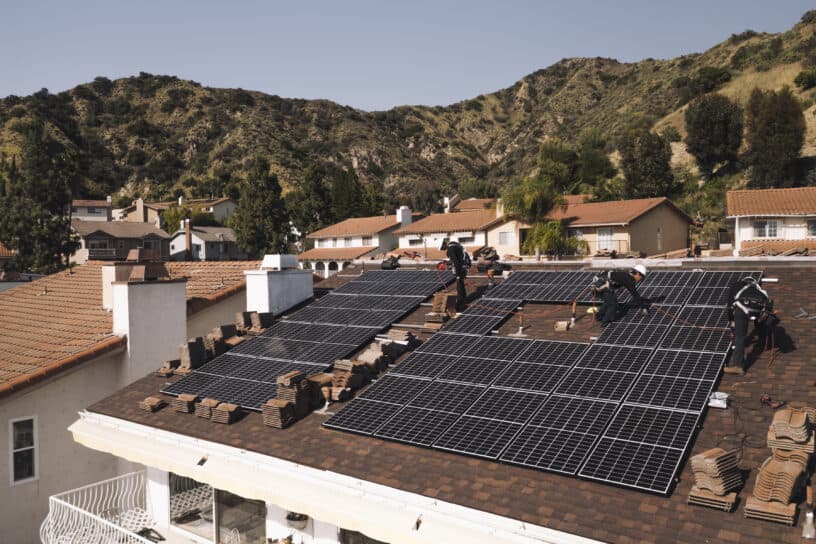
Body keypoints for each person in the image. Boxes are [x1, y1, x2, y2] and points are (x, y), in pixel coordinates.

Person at [725, 277, 776, 375]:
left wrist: (731, 321)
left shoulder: (735, 285)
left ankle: (738, 366)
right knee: (756, 320)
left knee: (740, 335)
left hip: (742, 307)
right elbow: (768, 303)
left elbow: (729, 306)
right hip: (757, 310)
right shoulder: (756, 289)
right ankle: (762, 337)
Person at [441, 239, 470, 311]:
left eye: (442, 248)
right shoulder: (454, 246)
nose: (442, 249)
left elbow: (456, 261)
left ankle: (460, 303)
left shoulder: (451, 249)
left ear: (444, 244)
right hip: (464, 265)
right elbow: (458, 257)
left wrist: (458, 274)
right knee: (461, 283)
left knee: (459, 284)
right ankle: (464, 299)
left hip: (460, 268)